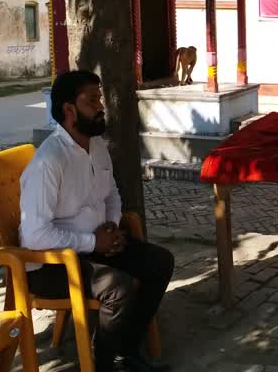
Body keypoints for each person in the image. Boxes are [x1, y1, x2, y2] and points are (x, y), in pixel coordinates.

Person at [20, 71, 174, 372]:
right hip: (51, 265)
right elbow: (35, 234)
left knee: (160, 261)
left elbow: (111, 195)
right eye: (92, 100)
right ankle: (100, 366)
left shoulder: (97, 146)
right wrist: (92, 241)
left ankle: (125, 350)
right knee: (118, 287)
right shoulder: (49, 161)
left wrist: (112, 226)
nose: (101, 105)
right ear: (68, 110)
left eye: (99, 98)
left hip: (94, 247)